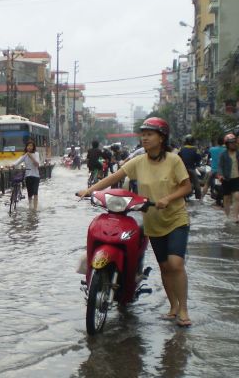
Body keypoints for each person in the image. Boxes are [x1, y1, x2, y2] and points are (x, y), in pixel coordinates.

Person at [77, 117, 193, 327]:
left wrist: (168, 198)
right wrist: (90, 190)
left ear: (162, 137)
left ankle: (183, 309)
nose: (145, 138)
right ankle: (173, 307)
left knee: (176, 264)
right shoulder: (138, 161)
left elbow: (186, 187)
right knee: (165, 267)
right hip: (153, 222)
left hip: (176, 219)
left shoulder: (174, 160)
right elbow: (114, 177)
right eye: (143, 134)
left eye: (150, 134)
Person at [218, 133, 239, 224]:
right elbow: (220, 166)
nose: (233, 144)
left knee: (237, 196)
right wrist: (220, 175)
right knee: (226, 198)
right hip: (226, 179)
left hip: (237, 178)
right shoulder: (223, 155)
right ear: (227, 144)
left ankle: (236, 217)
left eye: (234, 142)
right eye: (231, 143)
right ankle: (227, 216)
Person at [12, 139, 41, 208]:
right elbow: (17, 162)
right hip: (28, 176)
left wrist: (30, 156)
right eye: (28, 146)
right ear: (26, 147)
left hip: (35, 176)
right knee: (30, 193)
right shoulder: (24, 155)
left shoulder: (36, 154)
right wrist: (10, 165)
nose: (29, 147)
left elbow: (37, 164)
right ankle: (30, 207)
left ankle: (35, 209)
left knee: (35, 193)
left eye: (31, 146)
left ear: (33, 147)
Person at [178, 135, 202, 200]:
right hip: (192, 168)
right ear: (192, 141)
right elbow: (199, 158)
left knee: (181, 183)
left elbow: (178, 157)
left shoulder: (181, 149)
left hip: (183, 169)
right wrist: (197, 164)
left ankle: (182, 196)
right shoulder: (196, 149)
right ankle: (198, 197)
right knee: (196, 183)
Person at [201, 136, 225, 200]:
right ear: (224, 142)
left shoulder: (212, 149)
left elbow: (208, 157)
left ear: (217, 142)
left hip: (213, 171)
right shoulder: (226, 149)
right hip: (222, 172)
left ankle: (201, 198)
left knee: (207, 184)